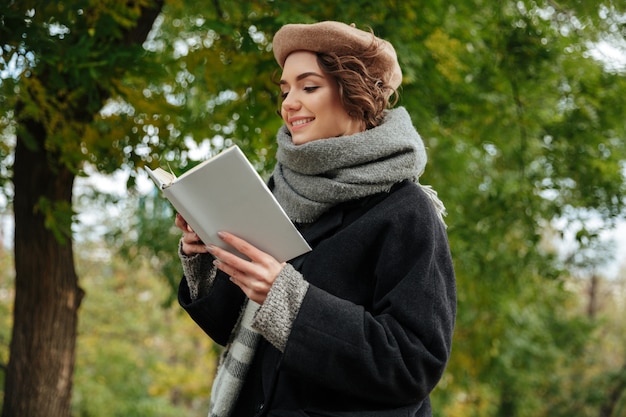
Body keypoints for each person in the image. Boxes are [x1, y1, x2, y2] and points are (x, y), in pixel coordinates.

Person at [175, 21, 456, 417]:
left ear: (356, 94)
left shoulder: (407, 210)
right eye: (285, 89)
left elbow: (411, 366)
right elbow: (230, 328)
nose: (289, 102)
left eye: (309, 87)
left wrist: (286, 300)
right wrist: (206, 253)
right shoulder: (276, 191)